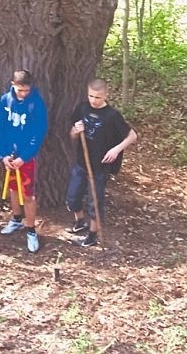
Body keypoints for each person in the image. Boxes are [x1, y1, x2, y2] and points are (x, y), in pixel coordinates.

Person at [66, 77, 138, 247]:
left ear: (106, 95)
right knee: (72, 198)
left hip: (100, 166)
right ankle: (80, 222)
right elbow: (72, 135)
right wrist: (76, 131)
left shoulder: (112, 116)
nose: (93, 100)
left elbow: (132, 136)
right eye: (91, 96)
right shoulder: (82, 109)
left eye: (98, 97)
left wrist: (116, 149)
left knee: (95, 202)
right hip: (81, 162)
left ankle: (92, 235)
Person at [0, 70, 48, 253]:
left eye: (26, 90)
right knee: (13, 188)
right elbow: (0, 128)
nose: (23, 93)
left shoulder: (37, 103)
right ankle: (16, 219)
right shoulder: (5, 100)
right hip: (9, 155)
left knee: (28, 194)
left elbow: (38, 133)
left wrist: (24, 157)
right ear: (12, 84)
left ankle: (31, 229)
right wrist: (3, 154)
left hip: (26, 156)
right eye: (20, 90)